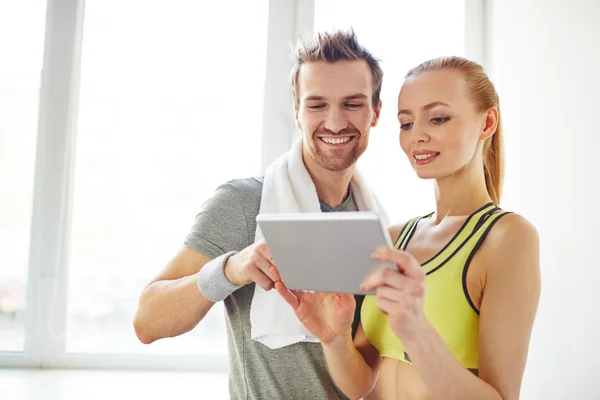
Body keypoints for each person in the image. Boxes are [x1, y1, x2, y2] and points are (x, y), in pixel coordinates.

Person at [133, 29, 387, 400]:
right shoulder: (243, 203)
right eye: (317, 105)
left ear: (375, 112)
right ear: (298, 113)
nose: (334, 122)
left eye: (352, 104)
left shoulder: (379, 226)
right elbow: (146, 322)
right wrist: (230, 268)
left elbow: (370, 373)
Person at [276, 56, 541, 400]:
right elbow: (360, 385)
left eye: (438, 118)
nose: (418, 136)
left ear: (487, 122)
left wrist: (416, 331)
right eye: (406, 123)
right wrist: (334, 338)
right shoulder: (394, 238)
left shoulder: (507, 239)